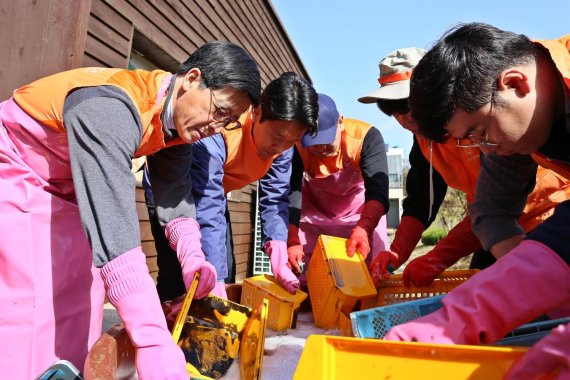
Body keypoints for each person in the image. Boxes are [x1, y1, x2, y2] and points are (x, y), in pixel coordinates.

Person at [0, 41, 261, 379]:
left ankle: (71, 370)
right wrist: (152, 341)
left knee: (87, 293)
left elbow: (175, 199)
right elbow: (115, 232)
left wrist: (193, 257)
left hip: (68, 186)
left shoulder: (175, 124)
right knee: (29, 298)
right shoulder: (109, 107)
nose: (216, 125)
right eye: (220, 110)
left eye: (228, 121)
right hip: (18, 168)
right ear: (192, 78)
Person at [382, 23, 570, 379]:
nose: (485, 149)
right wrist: (530, 292)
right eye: (470, 140)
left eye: (480, 133)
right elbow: (492, 210)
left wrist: (473, 309)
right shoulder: (514, 124)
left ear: (515, 83)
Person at [359, 47, 570, 287]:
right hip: (494, 226)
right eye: (394, 111)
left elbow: (498, 201)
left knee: (528, 293)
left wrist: (437, 257)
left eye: (408, 105)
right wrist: (396, 253)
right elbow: (421, 205)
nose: (405, 119)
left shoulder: (486, 124)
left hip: (545, 213)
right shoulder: (424, 142)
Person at [145, 72, 318, 299]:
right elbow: (207, 203)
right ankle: (162, 331)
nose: (281, 147)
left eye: (292, 141)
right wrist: (215, 280)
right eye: (277, 136)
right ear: (258, 112)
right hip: (174, 194)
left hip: (215, 197)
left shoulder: (283, 149)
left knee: (225, 270)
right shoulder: (221, 130)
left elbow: (275, 199)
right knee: (179, 278)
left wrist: (277, 248)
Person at [287, 93, 390, 284]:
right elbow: (291, 192)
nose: (319, 150)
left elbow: (378, 191)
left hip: (359, 212)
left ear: (340, 122)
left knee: (365, 271)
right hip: (315, 211)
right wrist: (292, 239)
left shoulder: (365, 137)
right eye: (313, 145)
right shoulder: (296, 146)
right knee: (308, 273)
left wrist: (364, 228)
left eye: (325, 141)